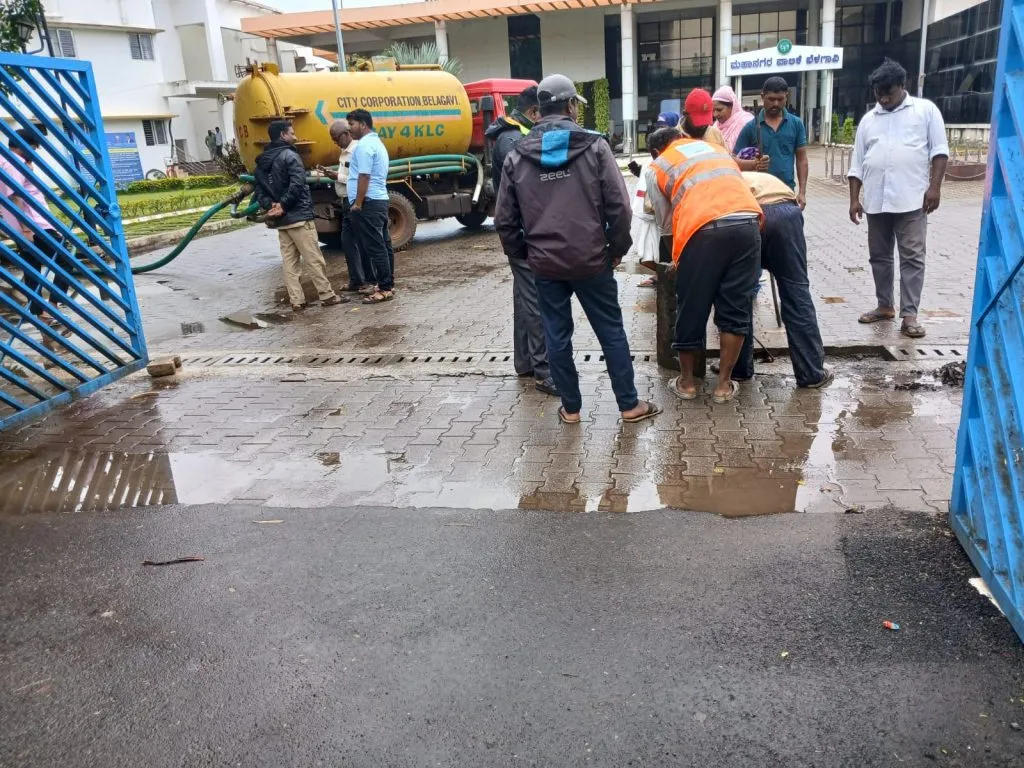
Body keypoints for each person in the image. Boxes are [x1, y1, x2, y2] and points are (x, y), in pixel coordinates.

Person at [495, 74, 659, 425]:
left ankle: (571, 409)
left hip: (546, 265)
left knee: (556, 334)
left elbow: (504, 219)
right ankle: (629, 406)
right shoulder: (595, 147)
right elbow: (620, 206)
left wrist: (526, 254)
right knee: (610, 330)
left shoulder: (517, 155)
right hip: (592, 259)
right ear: (571, 106)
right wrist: (616, 249)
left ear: (538, 110)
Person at [653, 88, 762, 404]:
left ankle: (687, 383)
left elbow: (665, 223)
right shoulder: (719, 151)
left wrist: (677, 258)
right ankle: (723, 385)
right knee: (735, 307)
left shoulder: (663, 162)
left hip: (703, 231)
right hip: (746, 225)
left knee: (692, 304)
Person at [848, 58, 948, 339]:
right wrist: (854, 199)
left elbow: (939, 152)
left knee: (912, 257)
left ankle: (910, 315)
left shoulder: (925, 111)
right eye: (878, 93)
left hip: (913, 200)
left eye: (888, 93)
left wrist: (935, 188)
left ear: (902, 86)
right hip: (877, 201)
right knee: (879, 257)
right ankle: (884, 306)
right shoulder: (869, 120)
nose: (882, 98)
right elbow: (857, 163)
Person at [729, 172, 833, 388]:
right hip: (785, 213)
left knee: (738, 294)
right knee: (795, 292)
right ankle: (811, 372)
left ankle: (738, 368)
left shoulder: (717, 178)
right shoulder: (747, 175)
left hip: (748, 217)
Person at [485, 87, 557, 397]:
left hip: (523, 229)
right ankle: (544, 372)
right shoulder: (512, 140)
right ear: (534, 113)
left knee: (524, 299)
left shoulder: (515, 133)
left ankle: (526, 362)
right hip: (524, 232)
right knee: (535, 302)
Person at [254, 120, 345, 312]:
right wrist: (284, 205)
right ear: (282, 135)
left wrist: (273, 206)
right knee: (314, 260)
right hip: (299, 219)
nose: (295, 137)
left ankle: (297, 301)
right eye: (292, 133)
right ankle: (327, 296)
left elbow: (260, 191)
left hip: (282, 222)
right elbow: (297, 184)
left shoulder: (262, 162)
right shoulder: (290, 156)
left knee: (290, 264)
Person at [0, 127, 77, 332]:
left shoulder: (7, 161)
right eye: (34, 147)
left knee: (32, 266)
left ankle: (39, 314)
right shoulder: (13, 163)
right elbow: (14, 196)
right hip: (34, 225)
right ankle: (52, 308)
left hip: (22, 225)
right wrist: (27, 230)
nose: (35, 151)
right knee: (65, 261)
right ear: (23, 145)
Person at [733, 77, 808, 209]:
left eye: (780, 99)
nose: (776, 104)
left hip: (786, 193)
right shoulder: (751, 127)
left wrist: (802, 192)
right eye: (771, 99)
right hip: (759, 196)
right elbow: (732, 160)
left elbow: (802, 159)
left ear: (786, 96)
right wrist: (753, 164)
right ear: (763, 96)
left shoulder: (796, 124)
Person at [346, 108, 395, 305]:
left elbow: (364, 175)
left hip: (368, 203)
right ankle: (387, 283)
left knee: (376, 248)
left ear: (363, 124)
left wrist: (358, 203)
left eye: (352, 124)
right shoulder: (377, 143)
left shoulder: (364, 146)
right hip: (378, 200)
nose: (350, 129)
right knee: (384, 245)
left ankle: (384, 288)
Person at [319, 119, 372, 294]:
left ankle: (368, 281)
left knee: (362, 243)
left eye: (336, 139)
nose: (335, 143)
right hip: (346, 201)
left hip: (356, 201)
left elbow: (360, 177)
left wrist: (337, 177)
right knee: (348, 242)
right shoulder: (345, 151)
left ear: (346, 134)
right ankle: (356, 280)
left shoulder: (358, 150)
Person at [712, 85, 754, 152]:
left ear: (732, 106)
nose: (715, 114)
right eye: (713, 110)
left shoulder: (746, 122)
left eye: (719, 110)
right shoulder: (716, 126)